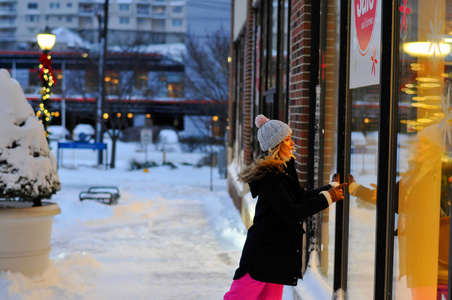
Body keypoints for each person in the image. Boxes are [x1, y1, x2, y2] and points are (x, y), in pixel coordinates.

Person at [224, 114, 347, 300]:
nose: (292, 144)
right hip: (261, 256)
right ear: (277, 145)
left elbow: (300, 197)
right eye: (287, 139)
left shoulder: (284, 169)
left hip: (277, 257)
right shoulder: (270, 177)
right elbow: (291, 212)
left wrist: (331, 189)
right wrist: (327, 198)